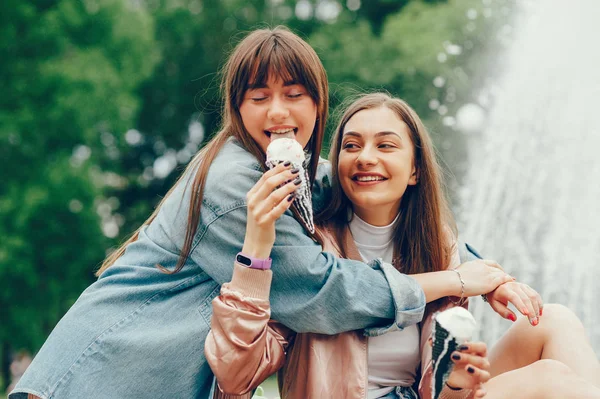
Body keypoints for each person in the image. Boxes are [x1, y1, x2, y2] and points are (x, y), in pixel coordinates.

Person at [11, 27, 452, 399]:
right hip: (99, 375)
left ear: (318, 103)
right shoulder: (235, 184)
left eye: (294, 94)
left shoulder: (291, 170)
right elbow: (319, 292)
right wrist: (452, 282)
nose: (278, 111)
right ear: (238, 108)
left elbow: (359, 187)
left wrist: (477, 266)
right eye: (259, 97)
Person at [205, 93, 600, 399]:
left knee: (556, 319)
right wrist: (257, 244)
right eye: (352, 145)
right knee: (551, 381)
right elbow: (237, 374)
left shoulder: (436, 246)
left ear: (414, 169)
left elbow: (439, 388)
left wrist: (460, 381)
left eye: (386, 146)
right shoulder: (311, 247)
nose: (366, 158)